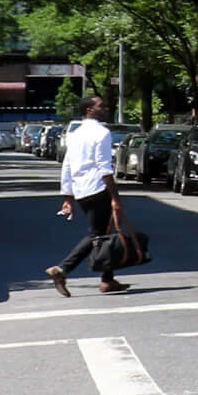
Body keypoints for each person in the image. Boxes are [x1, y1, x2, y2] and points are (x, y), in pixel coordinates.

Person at [47, 95, 130, 297]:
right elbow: (104, 167)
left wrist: (68, 195)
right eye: (100, 105)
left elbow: (67, 164)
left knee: (104, 232)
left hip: (81, 191)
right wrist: (115, 197)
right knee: (97, 235)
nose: (105, 107)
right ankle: (62, 270)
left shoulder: (75, 134)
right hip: (97, 188)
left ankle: (108, 279)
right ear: (89, 110)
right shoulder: (101, 133)